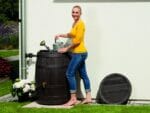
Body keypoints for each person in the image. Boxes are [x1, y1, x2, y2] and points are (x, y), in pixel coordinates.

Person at [55, 5, 92, 106]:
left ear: (80, 13)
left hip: (79, 53)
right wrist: (61, 35)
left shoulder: (80, 24)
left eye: (77, 12)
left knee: (69, 74)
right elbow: (71, 35)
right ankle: (88, 97)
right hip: (81, 53)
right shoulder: (75, 23)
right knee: (83, 74)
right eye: (73, 12)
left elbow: (77, 40)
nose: (74, 14)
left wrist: (66, 48)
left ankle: (73, 98)